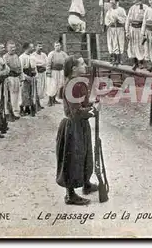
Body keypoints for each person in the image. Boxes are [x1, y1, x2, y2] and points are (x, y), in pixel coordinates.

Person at [56, 55, 99, 205]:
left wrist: (92, 104)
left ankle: (86, 184)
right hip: (72, 126)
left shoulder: (78, 83)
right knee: (73, 159)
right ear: (74, 69)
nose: (85, 65)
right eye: (82, 63)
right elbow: (75, 112)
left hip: (81, 124)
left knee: (85, 153)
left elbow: (82, 104)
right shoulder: (71, 85)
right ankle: (70, 195)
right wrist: (92, 111)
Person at [126, 0, 148, 70]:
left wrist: (144, 31)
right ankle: (135, 63)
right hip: (132, 29)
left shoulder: (144, 7)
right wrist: (127, 32)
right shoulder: (132, 8)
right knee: (132, 45)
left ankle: (141, 63)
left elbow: (146, 20)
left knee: (140, 45)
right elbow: (128, 20)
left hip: (140, 29)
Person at [3, 41, 22, 121]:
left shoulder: (16, 56)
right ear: (7, 48)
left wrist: (21, 78)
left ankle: (16, 112)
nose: (13, 49)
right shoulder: (5, 57)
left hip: (16, 78)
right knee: (9, 96)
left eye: (14, 47)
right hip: (9, 78)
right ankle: (8, 113)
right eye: (11, 47)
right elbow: (6, 69)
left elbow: (20, 68)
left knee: (16, 95)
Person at [105, 0, 127, 65]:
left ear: (117, 2)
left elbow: (125, 19)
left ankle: (119, 59)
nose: (112, 4)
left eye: (113, 3)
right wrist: (110, 22)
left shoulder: (121, 10)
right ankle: (113, 58)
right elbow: (106, 20)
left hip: (119, 28)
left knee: (118, 43)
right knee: (111, 43)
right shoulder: (109, 11)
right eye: (111, 3)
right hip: (111, 29)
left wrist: (118, 19)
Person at [46, 41, 68, 107]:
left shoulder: (63, 54)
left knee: (59, 84)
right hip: (54, 71)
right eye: (56, 46)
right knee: (52, 85)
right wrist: (48, 72)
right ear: (54, 46)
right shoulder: (51, 54)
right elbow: (48, 63)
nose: (57, 47)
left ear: (60, 46)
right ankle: (50, 100)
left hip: (61, 71)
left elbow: (68, 60)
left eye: (58, 45)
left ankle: (54, 99)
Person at [20, 42, 38, 117]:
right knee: (24, 93)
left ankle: (29, 107)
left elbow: (35, 67)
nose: (33, 48)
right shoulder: (21, 57)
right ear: (27, 48)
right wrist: (25, 77)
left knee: (32, 93)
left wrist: (36, 75)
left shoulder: (33, 56)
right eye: (31, 47)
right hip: (25, 77)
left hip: (32, 77)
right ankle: (22, 108)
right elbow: (20, 70)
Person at [31, 42, 47, 110]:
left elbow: (46, 62)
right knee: (36, 88)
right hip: (37, 73)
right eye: (39, 46)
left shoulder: (43, 54)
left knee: (42, 89)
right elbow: (34, 63)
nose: (40, 48)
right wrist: (41, 64)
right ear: (35, 47)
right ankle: (35, 105)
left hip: (43, 73)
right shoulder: (33, 55)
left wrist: (40, 64)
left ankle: (39, 103)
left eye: (41, 46)